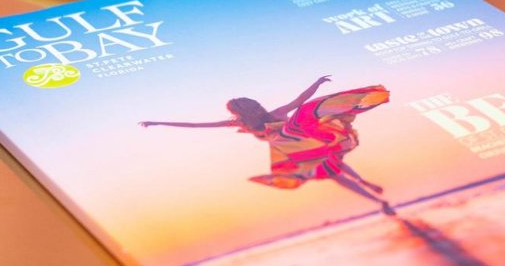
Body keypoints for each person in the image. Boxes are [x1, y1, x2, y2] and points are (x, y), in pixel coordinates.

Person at [142, 76, 396, 215]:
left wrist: (157, 123)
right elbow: (299, 100)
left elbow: (195, 126)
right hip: (301, 144)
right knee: (335, 168)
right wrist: (157, 122)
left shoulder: (242, 124)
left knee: (334, 173)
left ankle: (374, 197)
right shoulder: (272, 115)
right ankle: (367, 187)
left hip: (293, 150)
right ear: (253, 106)